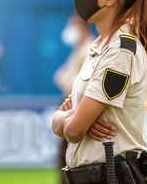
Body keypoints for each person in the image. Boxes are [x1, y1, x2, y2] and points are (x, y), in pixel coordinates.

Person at [52, 0, 147, 184]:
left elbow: (74, 130)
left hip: (112, 176)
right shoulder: (100, 46)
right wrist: (72, 116)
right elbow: (71, 124)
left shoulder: (120, 51)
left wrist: (69, 117)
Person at [54, 13, 95, 184]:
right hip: (70, 107)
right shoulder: (79, 50)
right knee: (64, 156)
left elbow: (74, 83)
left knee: (69, 156)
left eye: (73, 25)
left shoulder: (89, 49)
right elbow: (60, 77)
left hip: (77, 108)